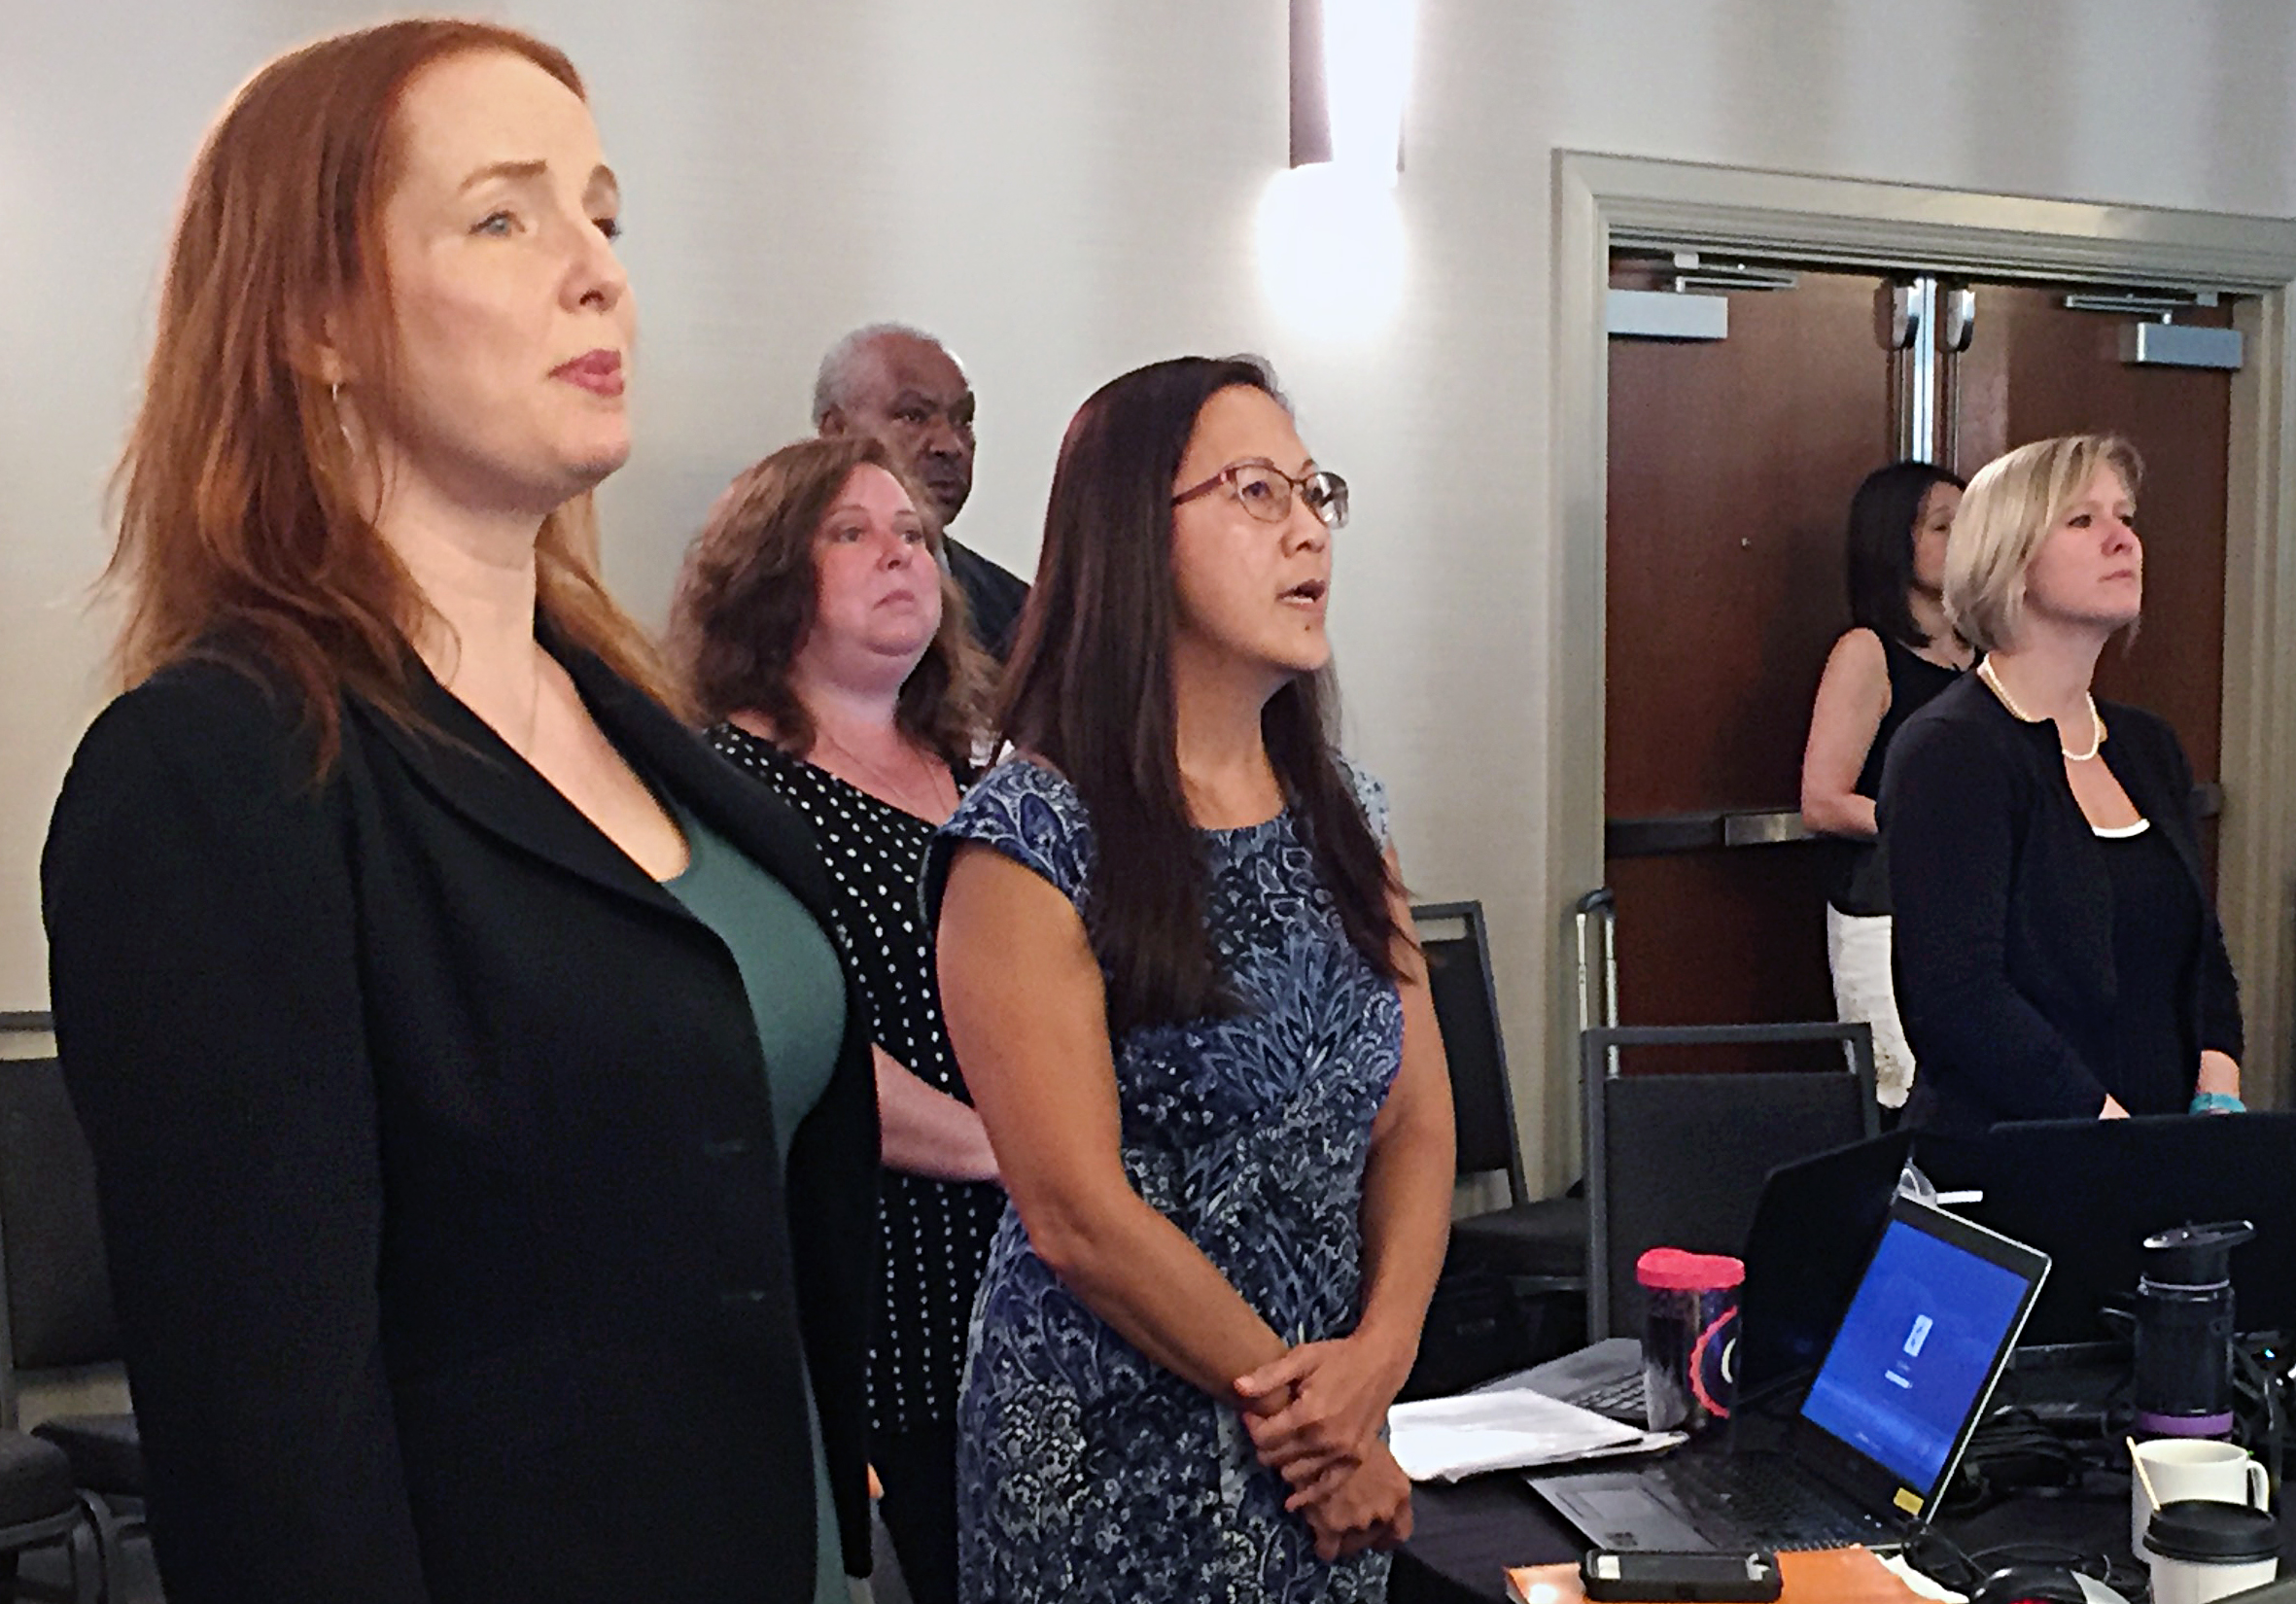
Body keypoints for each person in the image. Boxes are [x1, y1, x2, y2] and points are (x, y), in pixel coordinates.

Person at [39, 22, 875, 1603]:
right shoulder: (218, 775)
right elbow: (272, 1467)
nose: (598, 273)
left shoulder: (656, 736)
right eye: (504, 216)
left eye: (604, 216)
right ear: (315, 323)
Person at [930, 355, 1456, 1601]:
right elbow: (1077, 1216)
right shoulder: (1029, 836)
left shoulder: (1343, 814)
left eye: (1315, 492)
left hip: (1327, 1429)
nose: (1307, 529)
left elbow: (1418, 1120)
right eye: (1255, 492)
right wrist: (1314, 1428)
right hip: (1115, 1448)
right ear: (1131, 539)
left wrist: (1378, 1359)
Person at [669, 435, 998, 1604]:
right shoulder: (725, 785)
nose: (897, 555)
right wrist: (1014, 1152)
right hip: (885, 1270)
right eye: (850, 533)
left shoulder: (982, 772)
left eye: (912, 533)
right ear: (769, 574)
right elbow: (783, 1033)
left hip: (1031, 1262)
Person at [1882, 435, 2243, 1133]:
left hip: (2155, 1154)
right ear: (2008, 559)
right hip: (2012, 1164)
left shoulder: (2148, 747)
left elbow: (2199, 954)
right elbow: (1960, 1000)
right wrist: (2111, 1133)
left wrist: (2216, 1099)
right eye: (2083, 521)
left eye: (2126, 517)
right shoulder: (1951, 750)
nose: (2122, 541)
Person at [1799, 462, 1971, 1114]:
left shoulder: (1986, 653)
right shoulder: (1867, 651)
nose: (1964, 541)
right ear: (1891, 542)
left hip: (1970, 910)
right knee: (1902, 1104)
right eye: (1942, 527)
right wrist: (1933, 827)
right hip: (1884, 910)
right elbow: (1823, 800)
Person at [814, 323, 1031, 660]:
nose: (951, 445)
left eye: (964, 420)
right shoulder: (762, 591)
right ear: (835, 431)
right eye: (913, 416)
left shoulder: (1016, 613)